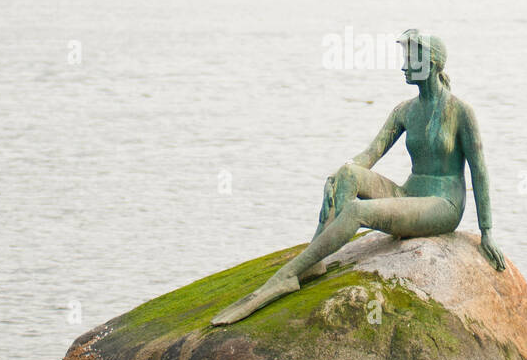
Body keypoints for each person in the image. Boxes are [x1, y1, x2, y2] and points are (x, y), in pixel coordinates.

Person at [212, 28, 505, 325]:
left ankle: (287, 275)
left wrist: (487, 231)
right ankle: (316, 261)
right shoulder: (405, 111)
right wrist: (339, 174)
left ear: (431, 64)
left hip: (443, 204)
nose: (404, 66)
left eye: (411, 60)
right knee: (348, 175)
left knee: (358, 211)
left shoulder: (460, 111)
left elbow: (480, 172)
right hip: (409, 194)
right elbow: (369, 155)